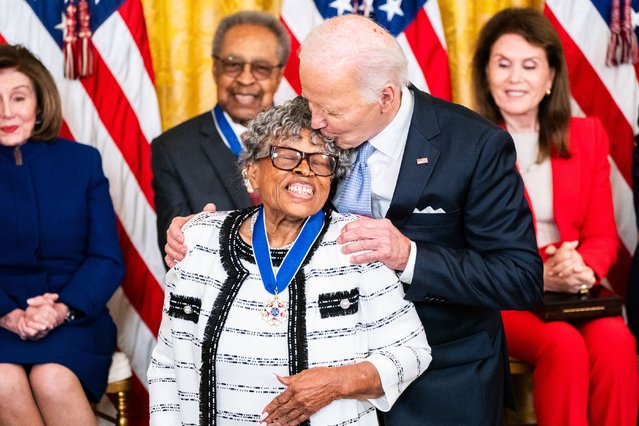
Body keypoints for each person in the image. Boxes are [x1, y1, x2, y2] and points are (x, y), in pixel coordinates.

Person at [165, 14, 543, 425]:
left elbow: (519, 278)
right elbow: (273, 185)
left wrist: (410, 256)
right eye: (310, 101)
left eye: (330, 110)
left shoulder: (475, 146)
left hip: (441, 380)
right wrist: (205, 232)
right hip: (323, 382)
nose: (315, 121)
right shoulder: (318, 110)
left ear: (384, 97)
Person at [147, 96, 431, 425]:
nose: (304, 169)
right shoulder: (197, 241)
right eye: (285, 156)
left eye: (320, 160)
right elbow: (167, 363)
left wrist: (338, 383)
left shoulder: (358, 243)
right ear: (251, 172)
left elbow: (412, 353)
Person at [471, 8, 639, 426]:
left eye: (530, 66)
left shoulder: (587, 135)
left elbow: (601, 234)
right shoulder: (466, 140)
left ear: (550, 77)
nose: (515, 78)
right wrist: (538, 274)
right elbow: (462, 244)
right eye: (503, 64)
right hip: (502, 296)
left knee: (617, 339)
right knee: (562, 344)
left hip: (571, 288)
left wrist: (582, 267)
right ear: (485, 73)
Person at [0, 44, 124, 425]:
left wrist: (59, 309)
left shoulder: (82, 161)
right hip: (1, 319)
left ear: (40, 101)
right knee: (2, 381)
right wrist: (9, 315)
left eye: (18, 98)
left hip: (74, 317)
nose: (6, 112)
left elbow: (106, 258)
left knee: (52, 378)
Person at [151, 10, 291, 260]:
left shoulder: (307, 141)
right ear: (216, 69)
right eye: (233, 65)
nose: (246, 79)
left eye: (260, 68)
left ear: (278, 76)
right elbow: (179, 255)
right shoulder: (172, 149)